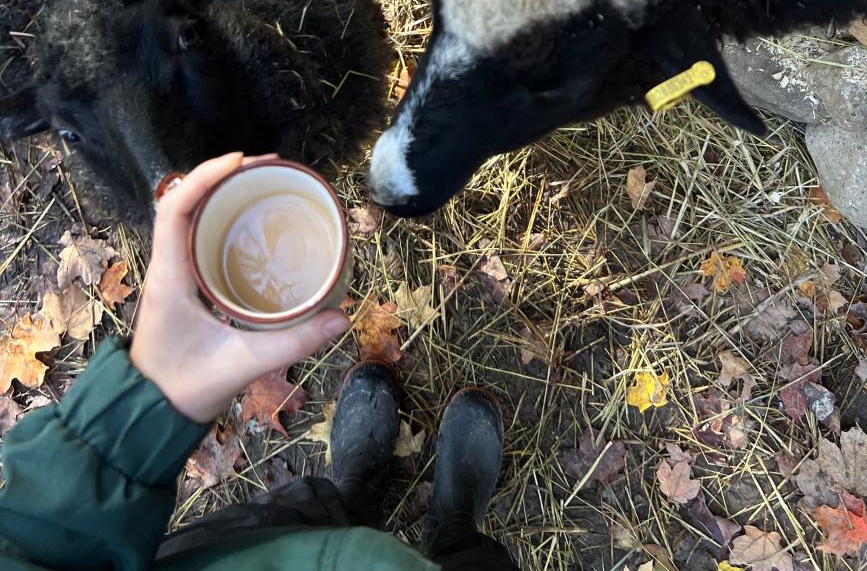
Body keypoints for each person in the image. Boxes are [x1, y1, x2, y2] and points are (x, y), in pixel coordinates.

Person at [0, 153, 517, 570]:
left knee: (303, 517)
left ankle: (354, 497)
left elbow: (34, 543)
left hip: (250, 555)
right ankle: (454, 532)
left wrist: (131, 423)